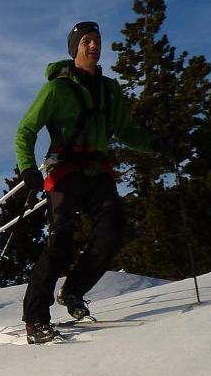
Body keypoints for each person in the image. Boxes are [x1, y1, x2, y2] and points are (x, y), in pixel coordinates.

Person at [14, 21, 175, 343]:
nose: (93, 46)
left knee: (112, 232)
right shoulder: (56, 89)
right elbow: (26, 130)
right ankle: (35, 320)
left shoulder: (110, 89)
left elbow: (125, 131)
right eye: (86, 41)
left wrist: (156, 144)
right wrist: (27, 167)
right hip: (65, 172)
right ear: (75, 48)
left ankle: (73, 291)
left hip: (97, 171)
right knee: (60, 243)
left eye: (97, 41)